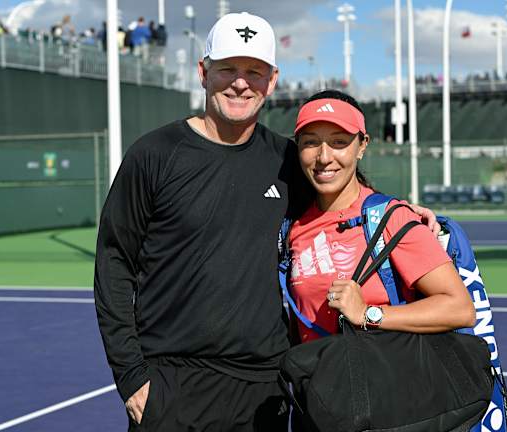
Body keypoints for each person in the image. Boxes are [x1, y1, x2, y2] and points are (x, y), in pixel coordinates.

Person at [94, 12, 438, 432]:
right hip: (171, 387)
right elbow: (114, 265)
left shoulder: (288, 160)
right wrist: (131, 377)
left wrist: (404, 213)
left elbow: (349, 197)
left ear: (271, 81)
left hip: (267, 390)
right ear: (203, 73)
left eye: (254, 72)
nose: (241, 83)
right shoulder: (153, 155)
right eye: (228, 70)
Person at [285, 89, 475, 346]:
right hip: (314, 382)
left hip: (382, 380)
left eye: (339, 142)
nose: (324, 157)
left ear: (361, 146)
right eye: (310, 142)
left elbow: (460, 308)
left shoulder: (390, 219)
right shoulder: (293, 225)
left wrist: (368, 314)